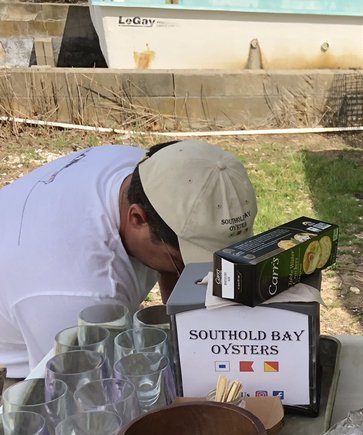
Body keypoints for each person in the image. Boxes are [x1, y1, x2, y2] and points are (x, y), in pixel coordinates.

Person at [0, 140, 257, 379]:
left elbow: (176, 275)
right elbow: (76, 392)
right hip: (31, 364)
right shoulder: (82, 295)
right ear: (137, 218)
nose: (197, 274)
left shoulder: (146, 172)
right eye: (185, 261)